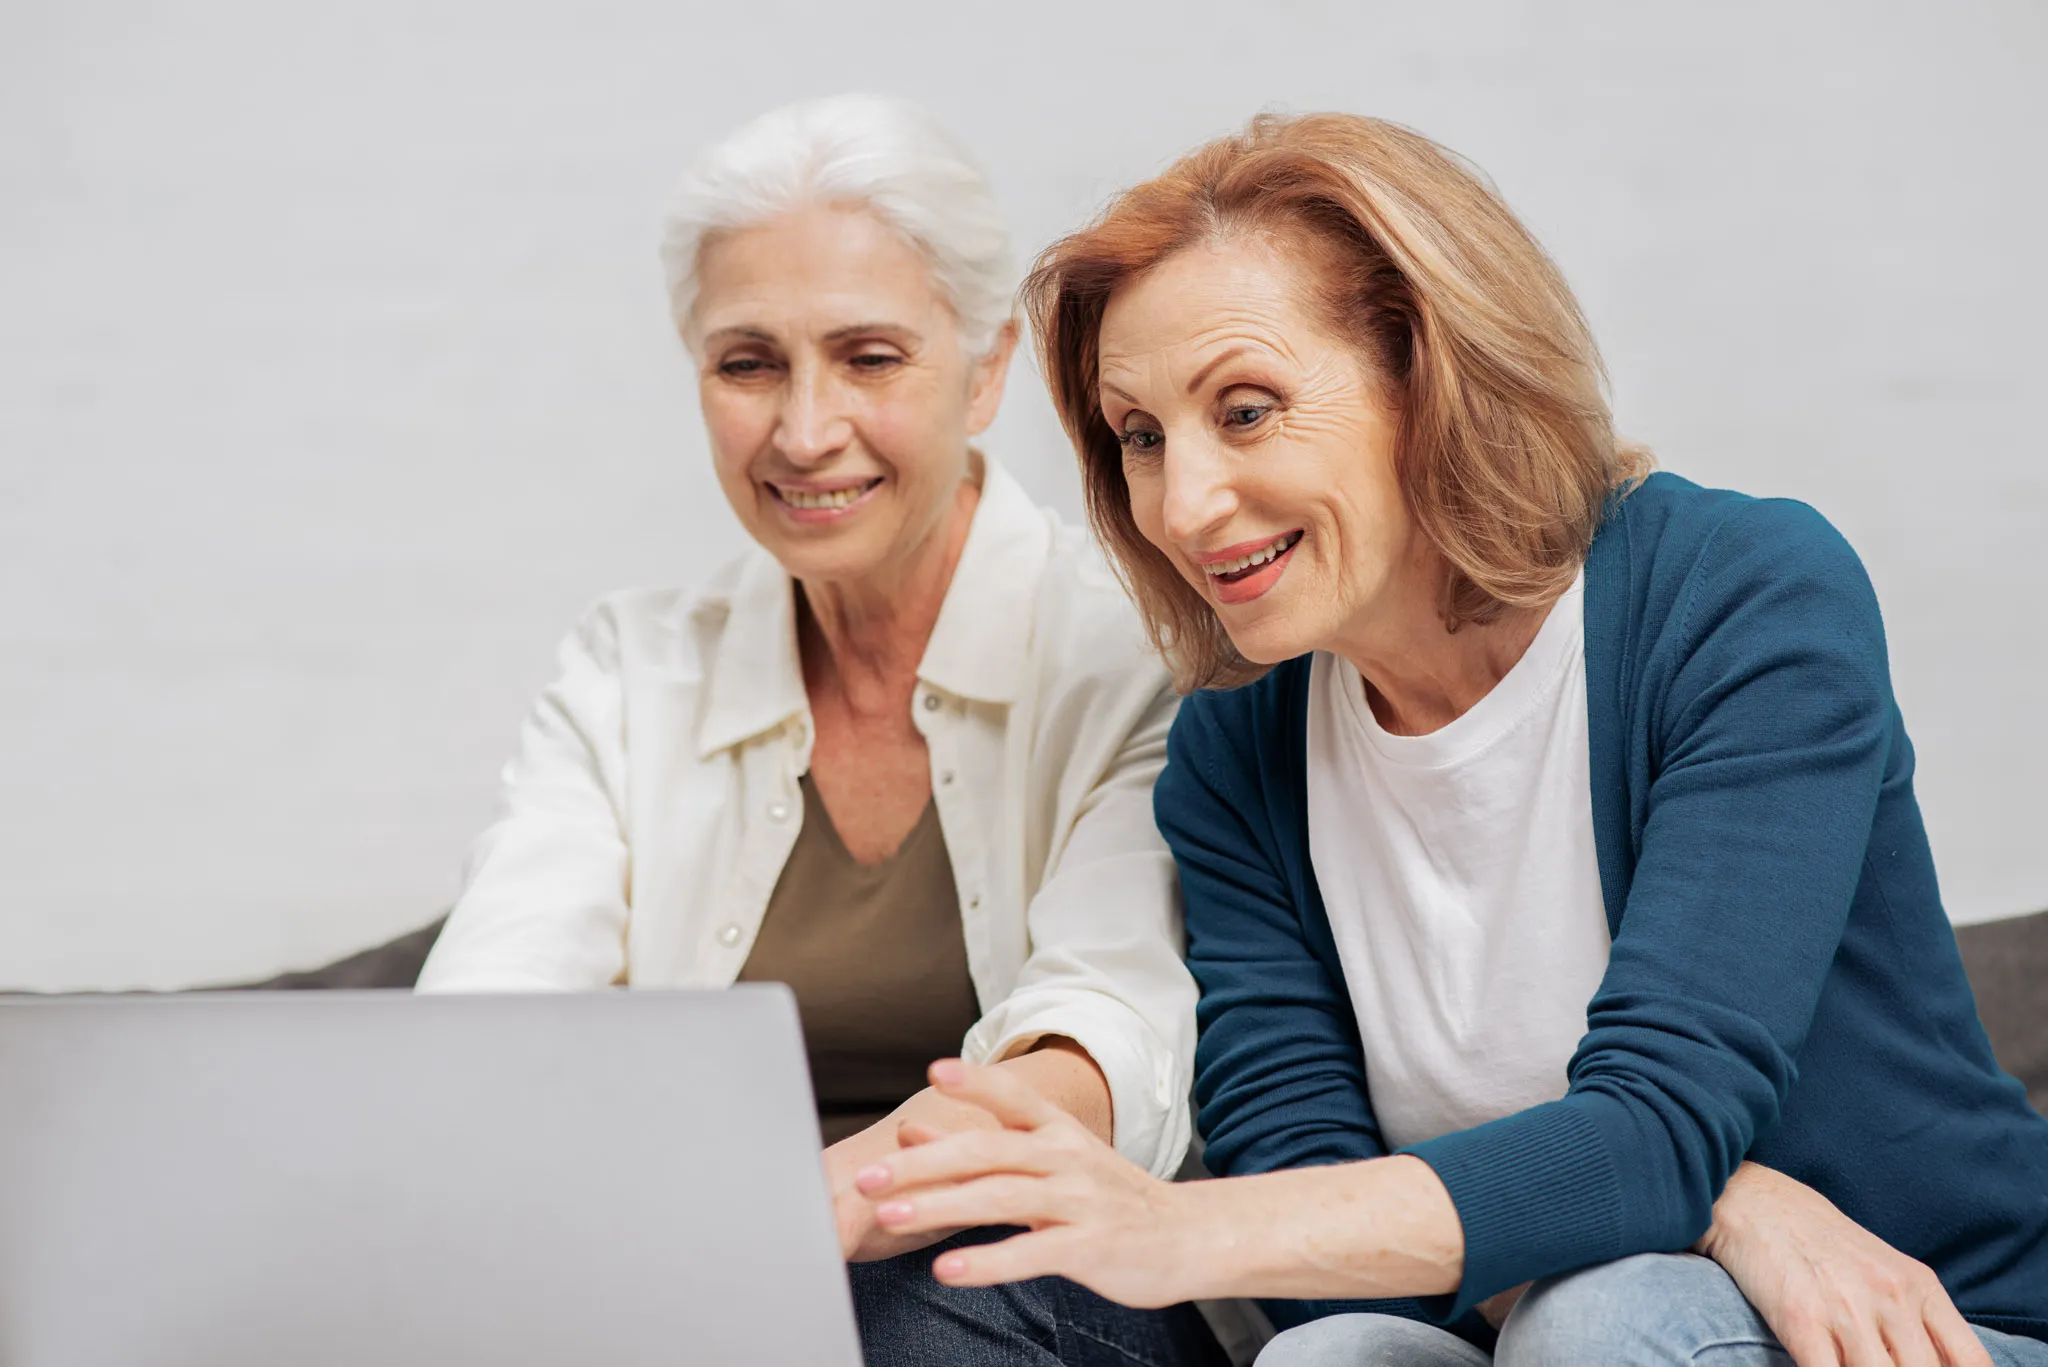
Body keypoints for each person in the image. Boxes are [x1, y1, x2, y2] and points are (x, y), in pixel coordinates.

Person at [846, 112, 2048, 1365]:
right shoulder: (1234, 747)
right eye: (1141, 437)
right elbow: (1314, 1223)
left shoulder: (1736, 595)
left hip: (1925, 1330)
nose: (1183, 504)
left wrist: (1178, 1229)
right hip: (1525, 1324)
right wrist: (1713, 1204)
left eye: (1245, 410)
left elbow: (1662, 1121)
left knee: (1606, 1317)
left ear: (1430, 377)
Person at [416, 94, 1223, 1367]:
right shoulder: (630, 670)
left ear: (987, 367)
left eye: (869, 356)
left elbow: (1103, 1030)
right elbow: (491, 1012)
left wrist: (806, 1213)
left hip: (1018, 1275)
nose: (803, 430)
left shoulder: (1131, 653)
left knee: (918, 1304)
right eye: (748, 363)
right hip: (680, 1279)